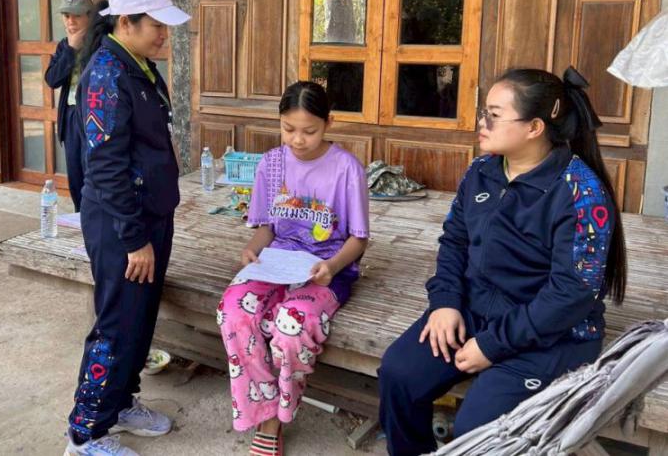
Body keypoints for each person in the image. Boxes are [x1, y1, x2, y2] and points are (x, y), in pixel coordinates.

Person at [378, 67, 627, 456]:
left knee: (477, 430)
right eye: (484, 112)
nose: (481, 123)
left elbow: (570, 295)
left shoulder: (581, 193)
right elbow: (455, 242)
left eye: (494, 115)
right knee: (399, 374)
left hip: (552, 335)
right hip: (474, 311)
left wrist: (492, 345)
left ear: (534, 128)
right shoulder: (480, 172)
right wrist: (445, 302)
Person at [65, 0, 191, 456]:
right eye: (156, 25)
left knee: (139, 320)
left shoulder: (137, 66)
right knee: (117, 324)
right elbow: (105, 165)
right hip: (122, 225)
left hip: (150, 216)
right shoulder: (106, 75)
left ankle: (119, 404)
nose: (163, 34)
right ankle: (86, 432)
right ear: (126, 23)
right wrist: (134, 238)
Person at [216, 81, 369, 456]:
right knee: (232, 310)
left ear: (329, 123)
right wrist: (251, 251)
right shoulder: (271, 164)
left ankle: (277, 418)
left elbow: (359, 239)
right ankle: (265, 406)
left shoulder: (346, 169)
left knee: (291, 325)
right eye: (288, 129)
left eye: (309, 130)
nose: (298, 140)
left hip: (326, 268)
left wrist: (332, 265)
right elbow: (267, 228)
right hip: (276, 262)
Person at [45, 0, 95, 209]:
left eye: (77, 15)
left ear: (90, 16)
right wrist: (71, 49)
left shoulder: (101, 44)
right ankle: (80, 219)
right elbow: (52, 79)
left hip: (93, 118)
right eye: (66, 16)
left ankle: (94, 222)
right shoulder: (64, 46)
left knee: (93, 175)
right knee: (76, 177)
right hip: (71, 117)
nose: (70, 21)